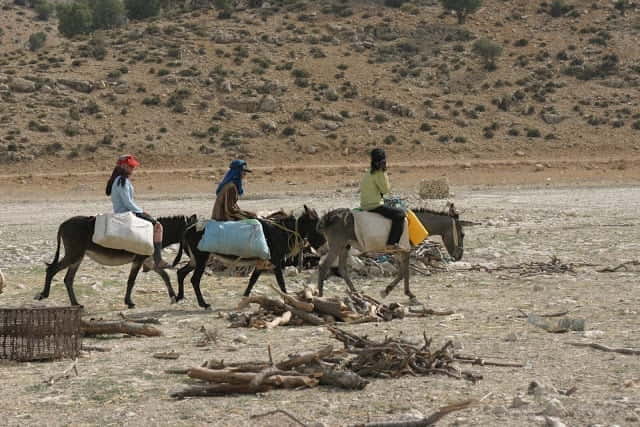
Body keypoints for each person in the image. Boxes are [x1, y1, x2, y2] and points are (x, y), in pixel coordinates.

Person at [105, 154, 170, 269]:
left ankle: (146, 258)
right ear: (123, 166)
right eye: (130, 166)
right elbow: (128, 203)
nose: (132, 169)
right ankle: (157, 260)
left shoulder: (118, 180)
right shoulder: (122, 181)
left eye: (132, 166)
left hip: (124, 213)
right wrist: (141, 212)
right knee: (158, 227)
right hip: (126, 215)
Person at [359, 148, 406, 251]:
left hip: (365, 204)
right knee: (400, 214)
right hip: (374, 205)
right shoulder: (379, 172)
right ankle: (392, 243)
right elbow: (385, 190)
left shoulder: (369, 172)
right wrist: (384, 172)